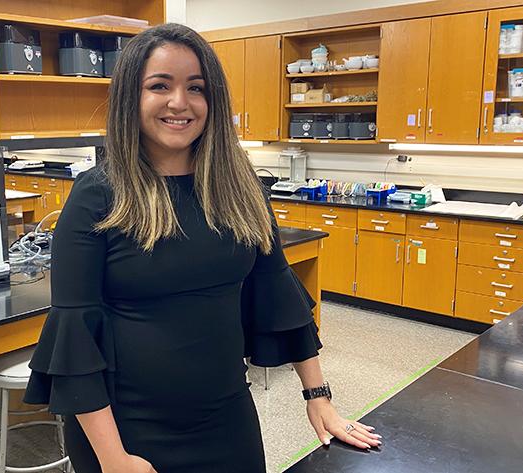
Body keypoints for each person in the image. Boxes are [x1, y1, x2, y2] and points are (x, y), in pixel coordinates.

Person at [24, 23, 381, 473]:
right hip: (125, 430)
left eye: (196, 88)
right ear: (131, 98)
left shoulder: (240, 187)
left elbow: (276, 292)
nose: (180, 102)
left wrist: (318, 398)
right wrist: (113, 460)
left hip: (226, 414)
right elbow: (75, 334)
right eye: (160, 86)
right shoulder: (98, 195)